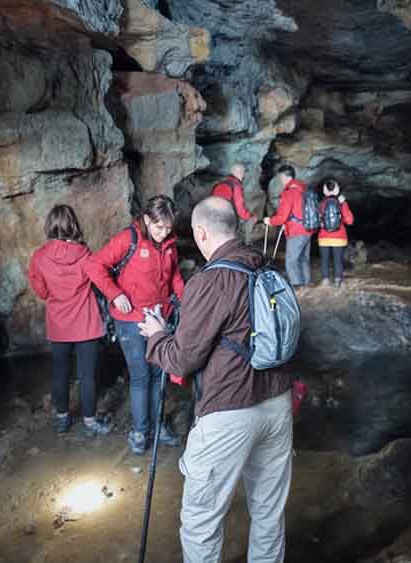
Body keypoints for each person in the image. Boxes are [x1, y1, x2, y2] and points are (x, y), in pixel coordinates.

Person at [140, 196, 293, 563]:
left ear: (201, 232)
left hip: (229, 410)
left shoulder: (210, 281)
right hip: (278, 404)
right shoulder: (267, 268)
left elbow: (183, 359)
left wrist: (157, 336)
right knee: (269, 511)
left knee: (201, 519)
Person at [85, 195, 186, 455]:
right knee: (141, 376)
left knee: (158, 374)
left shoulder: (170, 245)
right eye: (159, 227)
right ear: (146, 219)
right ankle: (141, 431)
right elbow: (94, 266)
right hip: (131, 319)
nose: (164, 233)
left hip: (159, 317)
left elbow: (174, 275)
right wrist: (115, 294)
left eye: (168, 227)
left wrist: (186, 300)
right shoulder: (128, 239)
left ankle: (157, 424)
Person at [28, 204, 112, 437]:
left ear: (49, 225)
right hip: (86, 322)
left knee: (60, 372)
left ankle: (63, 419)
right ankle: (90, 421)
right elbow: (99, 280)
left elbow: (41, 290)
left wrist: (54, 295)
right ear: (73, 224)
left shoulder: (39, 257)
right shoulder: (85, 254)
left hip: (59, 322)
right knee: (87, 375)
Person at [263, 164, 313, 287]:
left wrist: (270, 221)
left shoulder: (289, 193)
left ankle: (297, 286)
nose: (280, 180)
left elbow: (282, 217)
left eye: (280, 177)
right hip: (308, 229)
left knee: (291, 261)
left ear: (285, 177)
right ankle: (306, 283)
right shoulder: (304, 189)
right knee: (303, 258)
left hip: (296, 231)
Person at [317, 178, 354, 289]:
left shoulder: (321, 204)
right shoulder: (342, 203)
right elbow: (350, 221)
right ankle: (338, 282)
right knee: (338, 261)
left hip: (323, 237)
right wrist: (343, 203)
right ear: (337, 190)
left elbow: (318, 220)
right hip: (339, 237)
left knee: (324, 260)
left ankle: (325, 281)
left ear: (325, 191)